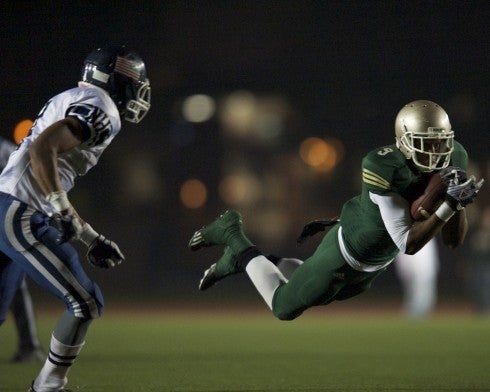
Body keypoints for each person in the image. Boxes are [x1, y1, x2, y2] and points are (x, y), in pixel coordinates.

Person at [188, 100, 484, 321]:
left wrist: (458, 204)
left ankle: (257, 260)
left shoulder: (454, 156)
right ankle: (234, 237)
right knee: (284, 307)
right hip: (346, 251)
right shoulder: (382, 165)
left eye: (440, 142)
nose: (436, 152)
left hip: (372, 263)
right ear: (404, 141)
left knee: (314, 285)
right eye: (426, 143)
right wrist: (447, 204)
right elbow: (408, 243)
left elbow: (453, 241)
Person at [0, 45, 150, 391]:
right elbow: (42, 150)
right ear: (119, 81)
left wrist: (90, 237)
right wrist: (60, 207)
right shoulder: (104, 109)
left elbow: (48, 172)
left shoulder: (72, 97)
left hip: (10, 207)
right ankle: (49, 386)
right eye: (136, 82)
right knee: (85, 301)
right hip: (19, 213)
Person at [1, 135, 45, 362]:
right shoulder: (8, 149)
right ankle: (29, 347)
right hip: (10, 224)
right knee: (15, 287)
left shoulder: (7, 150)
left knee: (15, 287)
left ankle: (29, 347)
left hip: (8, 223)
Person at [395, 237, 439, 318]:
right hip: (417, 268)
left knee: (423, 293)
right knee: (414, 292)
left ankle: (418, 314)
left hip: (423, 268)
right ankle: (414, 314)